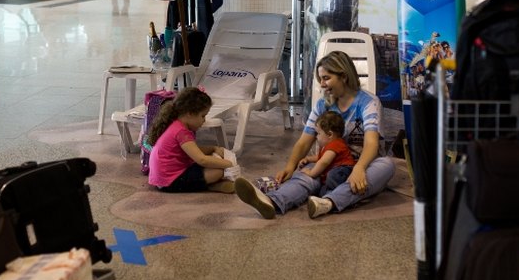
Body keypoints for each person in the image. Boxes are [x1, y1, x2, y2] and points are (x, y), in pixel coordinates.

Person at [234, 50, 395, 219]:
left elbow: (371, 143)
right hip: (330, 162)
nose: (322, 85)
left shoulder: (368, 102)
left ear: (344, 76)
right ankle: (273, 201)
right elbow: (304, 142)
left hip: (363, 164)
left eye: (326, 78)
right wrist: (290, 166)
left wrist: (359, 168)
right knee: (306, 175)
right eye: (321, 80)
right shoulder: (322, 104)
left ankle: (327, 202)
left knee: (386, 166)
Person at [147, 87, 236, 194]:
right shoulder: (181, 132)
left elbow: (193, 150)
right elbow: (202, 159)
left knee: (214, 162)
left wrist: (213, 148)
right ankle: (210, 186)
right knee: (218, 171)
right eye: (203, 116)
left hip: (166, 177)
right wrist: (229, 164)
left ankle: (210, 184)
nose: (204, 120)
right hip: (170, 182)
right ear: (189, 113)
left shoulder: (177, 125)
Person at [297, 110, 356, 195]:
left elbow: (324, 162)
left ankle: (340, 194)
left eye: (318, 133)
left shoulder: (335, 144)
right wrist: (308, 159)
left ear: (329, 134)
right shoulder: (329, 146)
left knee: (331, 176)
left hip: (343, 170)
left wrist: (311, 173)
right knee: (322, 190)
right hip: (337, 171)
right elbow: (321, 157)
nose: (316, 136)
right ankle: (328, 195)